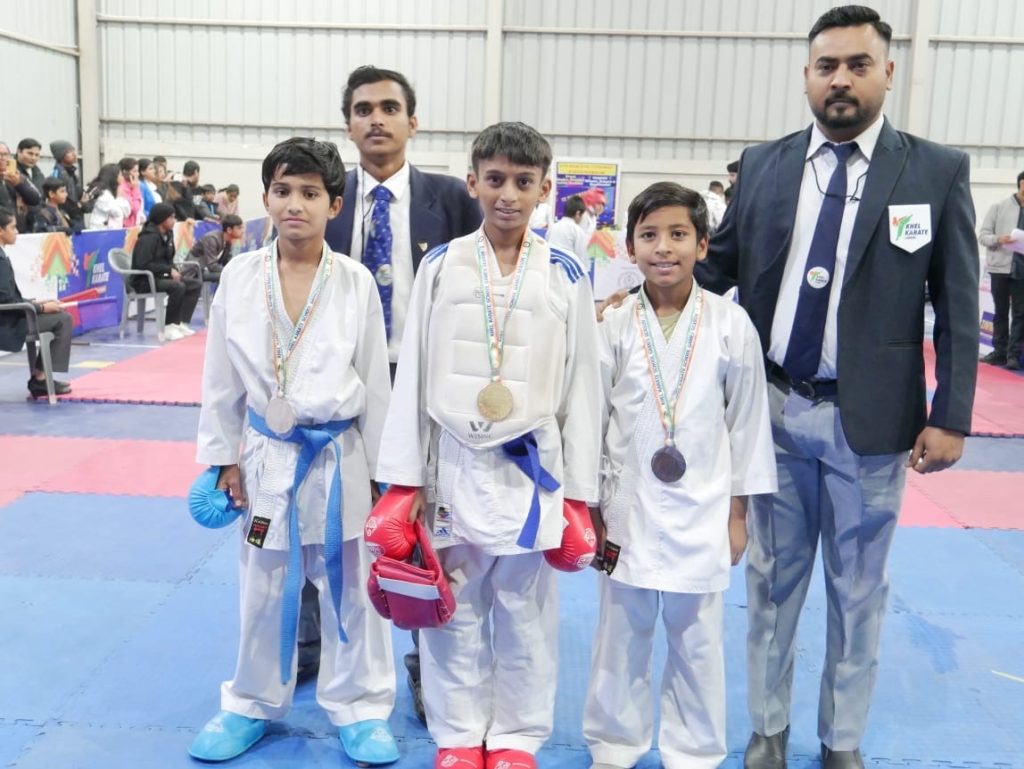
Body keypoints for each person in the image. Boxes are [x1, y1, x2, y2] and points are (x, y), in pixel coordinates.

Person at [697, 7, 979, 769]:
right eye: (828, 66)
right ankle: (767, 727)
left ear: (888, 72)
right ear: (807, 76)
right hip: (775, 411)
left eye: (858, 64)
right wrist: (632, 294)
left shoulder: (934, 171)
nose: (842, 79)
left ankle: (842, 739)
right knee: (770, 584)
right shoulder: (765, 164)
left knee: (859, 594)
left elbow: (957, 301)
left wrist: (951, 414)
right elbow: (711, 270)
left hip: (874, 422)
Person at [375, 121, 601, 769]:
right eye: (495, 179)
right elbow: (413, 374)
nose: (508, 194)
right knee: (454, 608)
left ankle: (514, 738)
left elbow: (583, 384)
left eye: (523, 182)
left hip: (534, 470)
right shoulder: (440, 265)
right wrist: (402, 482)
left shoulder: (566, 273)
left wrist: (582, 497)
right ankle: (456, 735)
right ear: (473, 181)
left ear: (544, 189)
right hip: (453, 464)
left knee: (525, 612)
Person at [190, 137, 398, 765]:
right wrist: (223, 457)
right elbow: (220, 377)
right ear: (265, 199)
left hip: (339, 455)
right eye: (283, 191)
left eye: (310, 193)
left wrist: (393, 479)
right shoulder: (239, 274)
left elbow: (376, 383)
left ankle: (361, 707)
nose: (295, 205)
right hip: (265, 455)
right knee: (263, 585)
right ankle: (251, 701)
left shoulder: (357, 281)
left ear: (334, 204)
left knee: (350, 590)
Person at [584, 182, 776, 769]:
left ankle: (693, 749)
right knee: (621, 629)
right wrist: (589, 506)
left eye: (677, 235)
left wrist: (739, 515)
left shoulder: (729, 323)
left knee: (697, 639)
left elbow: (746, 424)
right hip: (626, 504)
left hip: (706, 505)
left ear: (702, 243)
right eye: (648, 235)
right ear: (630, 246)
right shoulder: (612, 321)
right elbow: (591, 416)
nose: (662, 248)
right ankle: (615, 742)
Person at [322, 63, 481, 715]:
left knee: (426, 525)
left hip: (425, 385)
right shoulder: (324, 199)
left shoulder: (450, 197)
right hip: (341, 387)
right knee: (328, 516)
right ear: (348, 124)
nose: (376, 118)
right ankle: (319, 644)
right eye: (363, 109)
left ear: (413, 122)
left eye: (390, 107)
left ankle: (425, 658)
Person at [0, 207, 74, 397]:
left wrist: (36, 302)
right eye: (13, 227)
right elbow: (6, 300)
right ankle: (40, 379)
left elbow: (9, 298)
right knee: (62, 319)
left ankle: (40, 377)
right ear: (1, 231)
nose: (17, 231)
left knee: (58, 315)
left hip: (11, 314)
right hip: (7, 322)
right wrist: (41, 307)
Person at [130, 202, 202, 340]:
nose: (174, 221)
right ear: (161, 218)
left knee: (194, 284)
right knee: (178, 287)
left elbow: (168, 259)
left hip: (161, 277)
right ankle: (169, 326)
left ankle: (181, 323)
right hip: (144, 280)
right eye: (171, 217)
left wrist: (173, 270)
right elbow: (142, 264)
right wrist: (168, 270)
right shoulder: (147, 238)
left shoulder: (167, 235)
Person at [978, 170, 1024, 370]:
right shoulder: (999, 207)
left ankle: (1013, 355)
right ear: (1021, 184)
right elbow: (983, 236)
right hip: (1000, 267)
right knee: (1000, 312)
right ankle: (999, 351)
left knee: (1020, 314)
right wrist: (999, 239)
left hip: (1022, 269)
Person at [0, 142, 42, 232]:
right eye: (0, 154)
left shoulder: (17, 175)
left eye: (5, 155)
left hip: (19, 230)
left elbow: (36, 198)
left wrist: (19, 184)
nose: (2, 158)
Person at [188, 214, 244, 280]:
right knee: (229, 276)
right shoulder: (212, 239)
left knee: (236, 274)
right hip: (195, 270)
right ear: (229, 230)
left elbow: (227, 262)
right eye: (239, 228)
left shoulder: (227, 241)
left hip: (206, 269)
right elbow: (212, 266)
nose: (242, 231)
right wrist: (229, 271)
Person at [49, 140, 88, 232]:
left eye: (74, 151)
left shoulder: (72, 174)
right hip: (68, 221)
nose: (74, 154)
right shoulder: (58, 174)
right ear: (61, 155)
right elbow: (62, 202)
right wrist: (79, 205)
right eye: (69, 152)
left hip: (77, 219)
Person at [546, 194, 589, 266]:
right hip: (568, 272)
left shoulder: (553, 227)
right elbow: (581, 259)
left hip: (551, 270)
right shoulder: (577, 231)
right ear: (578, 213)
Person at [86, 164, 131, 230]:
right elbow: (117, 213)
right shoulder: (103, 194)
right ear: (113, 177)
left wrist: (120, 198)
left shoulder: (114, 192)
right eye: (121, 175)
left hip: (112, 231)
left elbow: (127, 212)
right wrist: (120, 198)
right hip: (100, 232)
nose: (123, 178)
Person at [117, 157, 143, 227]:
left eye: (138, 171)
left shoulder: (133, 184)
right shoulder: (122, 187)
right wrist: (135, 189)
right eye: (134, 171)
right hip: (124, 226)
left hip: (134, 225)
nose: (137, 174)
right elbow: (135, 208)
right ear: (125, 171)